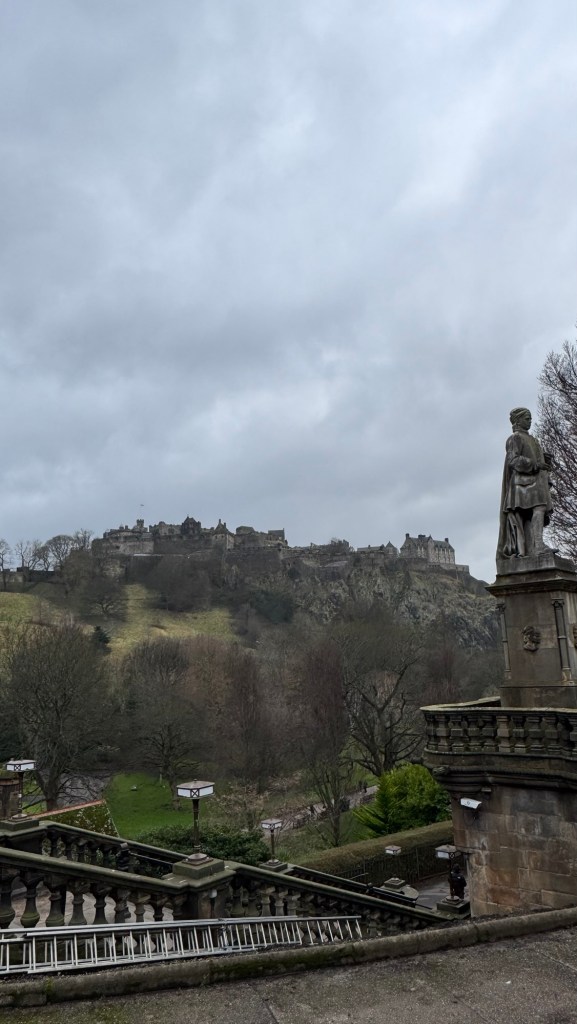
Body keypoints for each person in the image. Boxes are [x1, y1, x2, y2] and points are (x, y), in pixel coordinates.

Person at [497, 407, 553, 559]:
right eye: (527, 418)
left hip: (534, 482)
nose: (530, 421)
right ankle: (538, 545)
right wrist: (535, 464)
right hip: (523, 484)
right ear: (518, 420)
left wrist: (544, 460)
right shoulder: (515, 438)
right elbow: (513, 460)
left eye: (530, 418)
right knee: (539, 508)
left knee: (532, 514)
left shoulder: (533, 439)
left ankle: (533, 546)